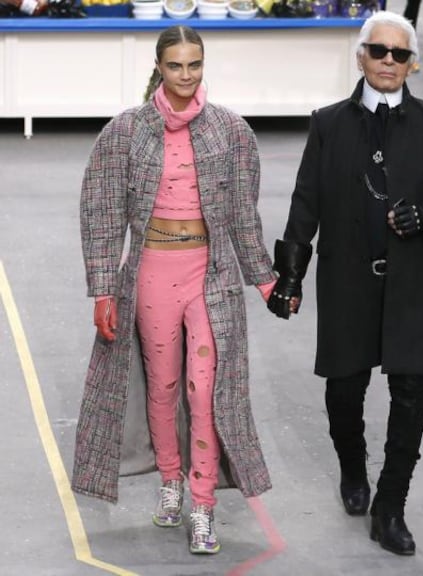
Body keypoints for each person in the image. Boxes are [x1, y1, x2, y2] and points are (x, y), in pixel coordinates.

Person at [268, 11, 423, 556]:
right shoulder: (328, 123)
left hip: (414, 283)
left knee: (411, 394)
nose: (387, 62)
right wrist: (288, 276)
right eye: (378, 51)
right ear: (360, 56)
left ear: (411, 63)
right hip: (348, 280)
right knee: (343, 388)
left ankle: (391, 506)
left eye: (399, 54)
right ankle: (352, 470)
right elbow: (306, 200)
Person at [74, 25, 277, 556]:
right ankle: (170, 480)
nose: (186, 76)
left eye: (195, 65)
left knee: (205, 392)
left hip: (211, 276)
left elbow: (242, 216)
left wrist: (265, 279)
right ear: (158, 68)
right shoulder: (126, 132)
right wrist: (103, 291)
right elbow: (101, 212)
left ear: (204, 65)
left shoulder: (231, 132)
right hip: (151, 276)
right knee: (162, 388)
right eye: (175, 66)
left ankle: (203, 504)